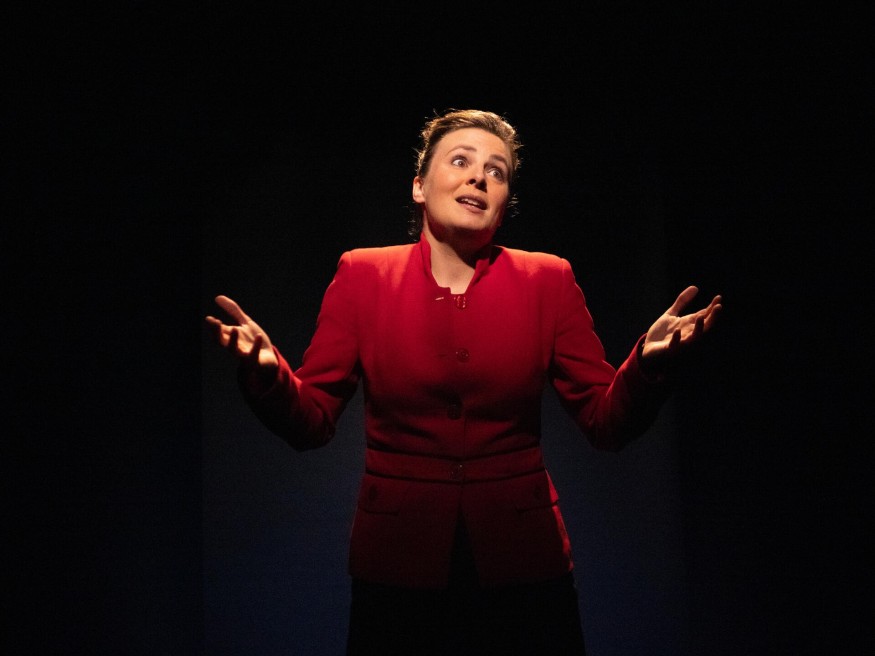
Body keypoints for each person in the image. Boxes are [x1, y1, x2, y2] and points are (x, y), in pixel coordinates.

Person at [205, 108, 722, 655]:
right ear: (419, 186)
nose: (479, 177)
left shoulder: (548, 279)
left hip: (524, 565)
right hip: (397, 568)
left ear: (504, 202)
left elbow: (605, 421)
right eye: (461, 161)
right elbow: (311, 421)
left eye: (497, 171)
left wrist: (647, 365)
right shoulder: (362, 274)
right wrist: (268, 376)